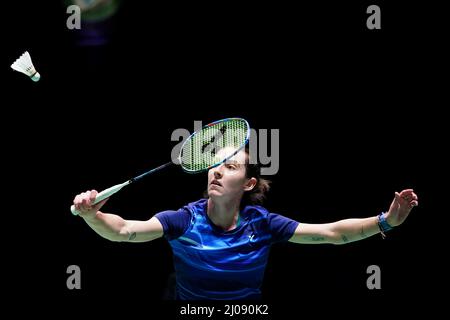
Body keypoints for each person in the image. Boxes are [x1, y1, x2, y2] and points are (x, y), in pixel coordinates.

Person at [72, 146, 418, 300]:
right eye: (215, 164)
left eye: (231, 167)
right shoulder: (184, 219)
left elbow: (331, 234)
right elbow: (124, 231)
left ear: (249, 183)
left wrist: (385, 222)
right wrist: (93, 215)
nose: (217, 170)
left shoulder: (263, 223)